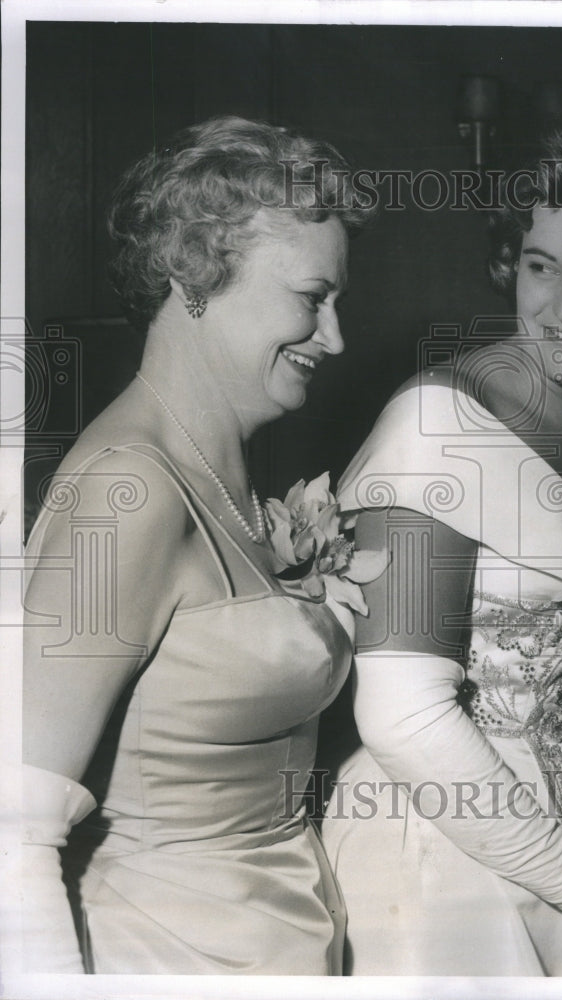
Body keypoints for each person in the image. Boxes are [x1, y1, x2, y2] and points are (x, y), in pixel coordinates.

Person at [321, 109, 562, 975]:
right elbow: (402, 716)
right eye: (541, 266)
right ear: (511, 262)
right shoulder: (440, 423)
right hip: (434, 847)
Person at [19, 116, 373, 974]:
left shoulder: (228, 474)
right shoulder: (127, 489)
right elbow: (10, 828)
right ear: (191, 276)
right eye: (310, 299)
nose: (335, 338)